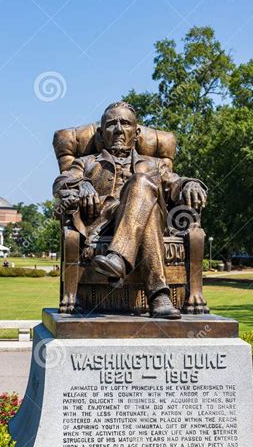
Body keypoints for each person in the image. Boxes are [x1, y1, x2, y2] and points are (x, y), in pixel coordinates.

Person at [53, 101, 207, 319]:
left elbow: (175, 183)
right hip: (104, 226)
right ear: (100, 132)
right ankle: (159, 297)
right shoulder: (86, 162)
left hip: (146, 218)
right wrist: (82, 184)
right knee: (147, 203)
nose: (118, 130)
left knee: (142, 184)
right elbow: (61, 183)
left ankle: (118, 259)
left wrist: (190, 184)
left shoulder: (154, 164)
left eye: (125, 124)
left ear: (136, 133)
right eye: (111, 124)